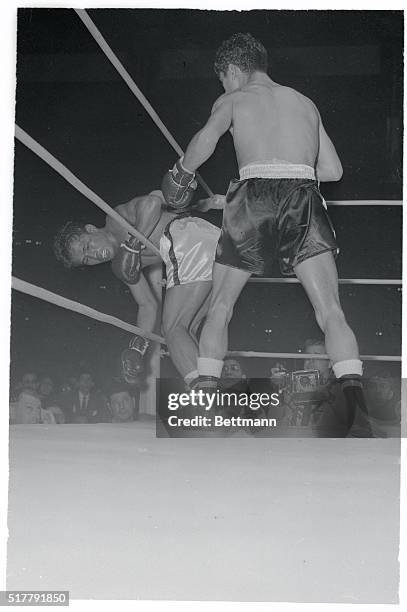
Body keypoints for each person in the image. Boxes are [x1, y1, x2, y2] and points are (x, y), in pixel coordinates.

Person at [161, 32, 368, 434]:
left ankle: (204, 405)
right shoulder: (306, 104)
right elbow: (334, 172)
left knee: (221, 307)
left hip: (253, 195)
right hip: (302, 194)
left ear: (234, 70)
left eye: (222, 79)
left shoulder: (235, 99)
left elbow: (206, 139)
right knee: (330, 311)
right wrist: (290, 170)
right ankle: (355, 409)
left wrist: (182, 171)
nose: (222, 87)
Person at [54, 190, 222, 388]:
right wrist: (137, 347)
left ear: (91, 229)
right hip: (208, 246)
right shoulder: (121, 265)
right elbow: (147, 305)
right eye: (86, 260)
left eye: (87, 247)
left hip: (189, 239)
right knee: (188, 328)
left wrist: (133, 244)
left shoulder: (115, 220)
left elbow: (152, 203)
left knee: (173, 328)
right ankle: (210, 391)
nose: (94, 255)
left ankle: (205, 398)